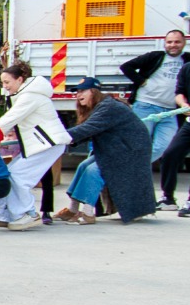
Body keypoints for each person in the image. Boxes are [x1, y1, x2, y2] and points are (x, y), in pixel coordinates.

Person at [0, 61, 70, 231]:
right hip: (39, 144)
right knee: (9, 173)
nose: (5, 87)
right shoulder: (25, 94)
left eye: (7, 82)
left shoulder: (30, 96)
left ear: (20, 80)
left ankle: (27, 214)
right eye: (3, 83)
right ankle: (1, 213)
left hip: (48, 144)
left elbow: (10, 119)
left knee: (18, 177)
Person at [51, 77, 156, 225]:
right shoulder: (101, 106)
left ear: (94, 91)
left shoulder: (108, 107)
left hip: (130, 152)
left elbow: (87, 129)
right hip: (118, 149)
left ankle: (88, 212)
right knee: (83, 166)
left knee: (94, 171)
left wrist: (58, 137)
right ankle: (73, 209)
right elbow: (89, 131)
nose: (78, 95)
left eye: (82, 91)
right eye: (77, 92)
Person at [120, 29, 186, 170]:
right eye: (169, 42)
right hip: (146, 106)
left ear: (184, 43)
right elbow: (126, 67)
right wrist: (141, 81)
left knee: (164, 146)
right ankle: (128, 171)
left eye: (177, 42)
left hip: (171, 112)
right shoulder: (155, 57)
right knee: (138, 143)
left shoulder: (187, 60)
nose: (173, 45)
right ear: (165, 43)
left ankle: (132, 168)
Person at [152, 62, 190, 214]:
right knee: (170, 155)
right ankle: (168, 198)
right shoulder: (187, 68)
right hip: (189, 123)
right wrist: (183, 104)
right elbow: (180, 92)